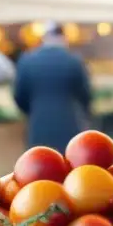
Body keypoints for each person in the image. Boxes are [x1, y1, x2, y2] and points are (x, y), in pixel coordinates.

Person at [13, 22, 93, 152]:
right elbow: (85, 95)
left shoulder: (27, 61)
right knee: (69, 165)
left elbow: (19, 96)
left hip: (38, 125)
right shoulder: (74, 61)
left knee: (40, 163)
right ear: (63, 37)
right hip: (69, 124)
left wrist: (33, 111)